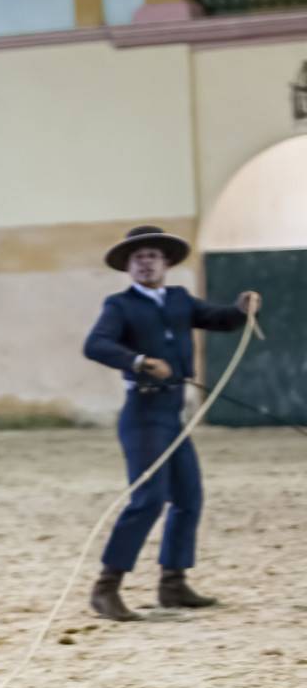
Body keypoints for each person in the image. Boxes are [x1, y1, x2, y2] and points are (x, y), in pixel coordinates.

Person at [83, 225, 260, 621]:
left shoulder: (179, 299)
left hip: (172, 417)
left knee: (188, 499)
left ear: (165, 263)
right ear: (129, 267)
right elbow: (95, 345)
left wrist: (241, 307)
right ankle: (105, 588)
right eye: (138, 257)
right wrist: (139, 361)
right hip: (142, 415)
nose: (146, 263)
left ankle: (173, 583)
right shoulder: (119, 306)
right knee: (148, 500)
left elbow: (220, 318)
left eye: (153, 256)